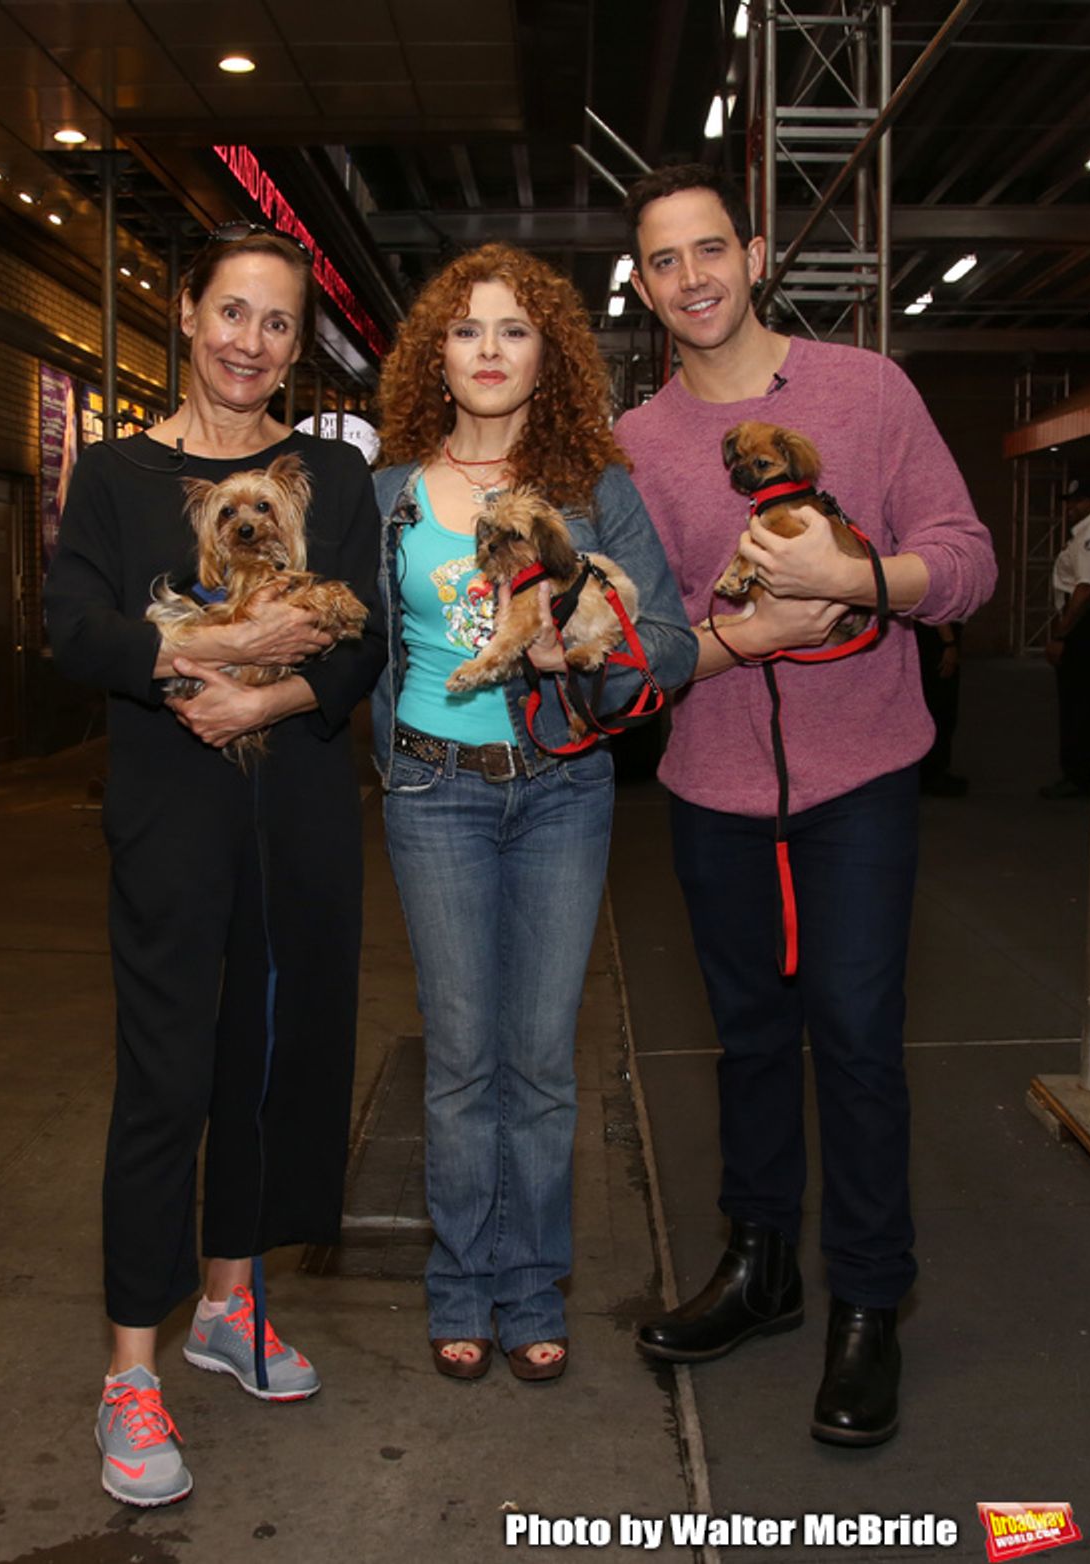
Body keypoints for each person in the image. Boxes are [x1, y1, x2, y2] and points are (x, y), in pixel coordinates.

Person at [617, 164, 996, 1445]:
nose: (693, 278)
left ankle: (867, 1304)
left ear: (758, 251)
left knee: (855, 1037)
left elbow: (967, 561)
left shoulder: (869, 392)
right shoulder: (640, 443)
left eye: (710, 248)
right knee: (745, 1040)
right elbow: (646, 647)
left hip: (862, 779)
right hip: (712, 786)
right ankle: (760, 1266)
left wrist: (862, 574)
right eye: (664, 261)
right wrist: (756, 628)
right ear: (644, 284)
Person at [44, 224, 385, 1505]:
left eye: (278, 324)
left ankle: (231, 1306)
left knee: (269, 1063)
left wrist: (272, 694)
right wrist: (183, 661)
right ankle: (131, 1366)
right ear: (187, 313)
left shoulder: (331, 482)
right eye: (232, 312)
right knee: (166, 1077)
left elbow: (364, 648)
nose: (252, 342)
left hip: (294, 809)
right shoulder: (122, 473)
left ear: (300, 345)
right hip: (170, 818)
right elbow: (73, 622)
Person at [371, 243, 697, 1383]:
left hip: (562, 792)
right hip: (431, 791)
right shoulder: (393, 488)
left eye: (514, 330)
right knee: (462, 1063)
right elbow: (368, 637)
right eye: (468, 330)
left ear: (546, 353)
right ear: (436, 356)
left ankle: (531, 1283)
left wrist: (589, 651)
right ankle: (461, 1283)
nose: (491, 350)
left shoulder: (593, 483)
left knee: (542, 1062)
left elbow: (675, 641)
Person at [1040, 484, 1090, 800]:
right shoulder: (1083, 531)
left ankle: (1077, 776)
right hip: (1084, 625)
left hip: (1084, 628)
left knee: (1077, 702)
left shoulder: (1089, 534)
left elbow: (1085, 588)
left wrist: (1062, 635)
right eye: (1068, 501)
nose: (1070, 506)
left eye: (1078, 500)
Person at [914, 620, 967, 796]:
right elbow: (937, 609)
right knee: (940, 706)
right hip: (936, 636)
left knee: (940, 705)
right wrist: (949, 643)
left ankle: (933, 770)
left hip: (936, 634)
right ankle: (932, 773)